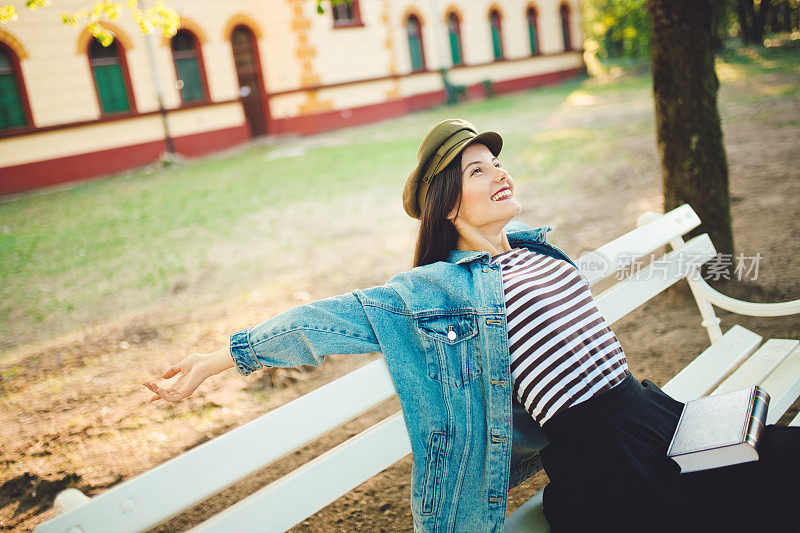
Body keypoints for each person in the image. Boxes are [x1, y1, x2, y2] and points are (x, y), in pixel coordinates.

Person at [144, 119, 800, 533]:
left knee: (783, 459)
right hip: (607, 460)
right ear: (447, 202)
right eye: (476, 170)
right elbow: (330, 321)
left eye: (496, 161)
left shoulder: (539, 249)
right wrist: (226, 354)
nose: (498, 172)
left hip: (652, 411)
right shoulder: (442, 290)